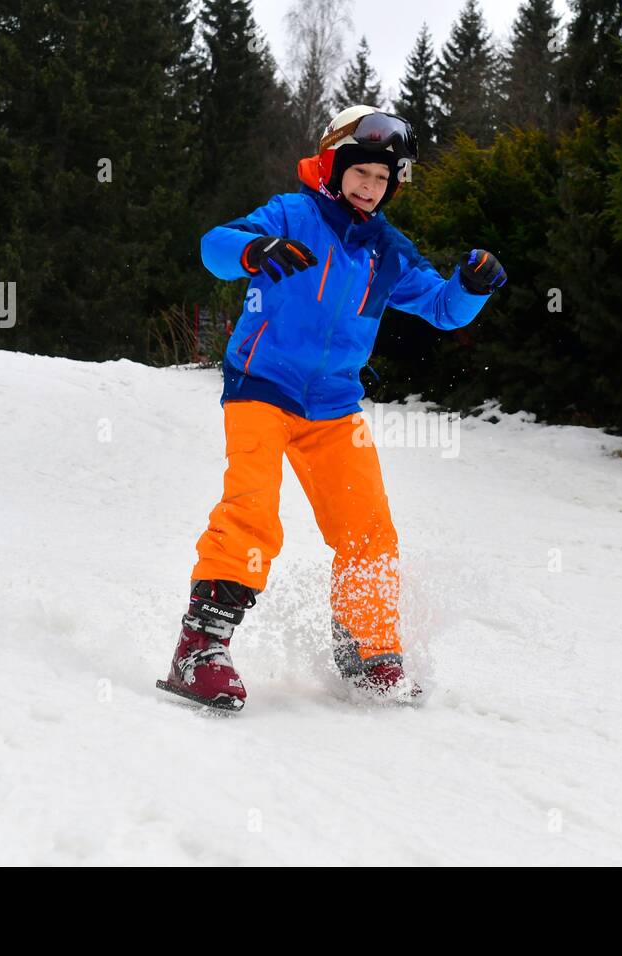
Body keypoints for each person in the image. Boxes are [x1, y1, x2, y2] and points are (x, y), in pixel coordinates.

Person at [157, 105, 507, 712]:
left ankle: (367, 653)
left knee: (368, 527)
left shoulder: (387, 251)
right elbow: (214, 246)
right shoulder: (292, 214)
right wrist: (255, 251)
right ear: (335, 165)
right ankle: (201, 649)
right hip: (261, 388)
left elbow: (444, 308)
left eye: (384, 180)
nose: (372, 189)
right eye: (362, 173)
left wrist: (472, 288)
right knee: (253, 511)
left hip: (334, 407)